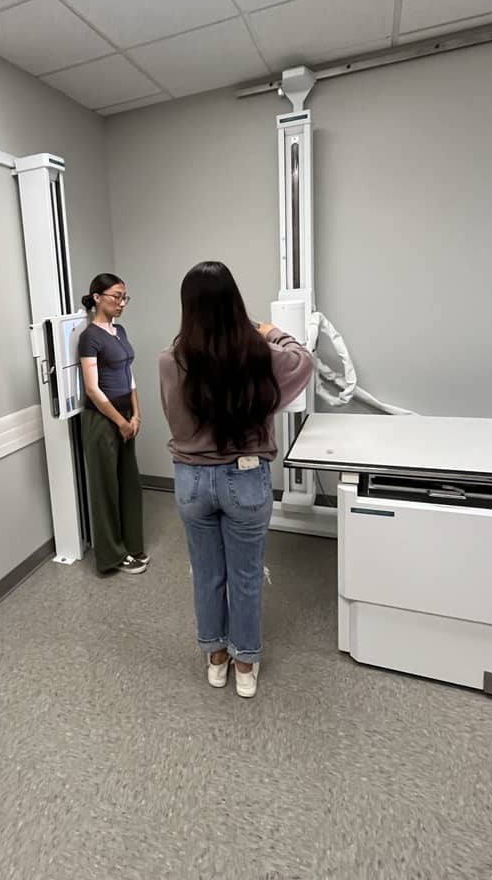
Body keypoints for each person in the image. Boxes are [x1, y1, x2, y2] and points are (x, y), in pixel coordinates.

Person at [159, 261, 314, 696]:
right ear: (235, 304)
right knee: (245, 576)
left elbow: (175, 422)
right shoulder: (259, 356)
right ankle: (245, 666)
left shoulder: (171, 361)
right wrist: (269, 331)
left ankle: (215, 659)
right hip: (244, 479)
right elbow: (304, 360)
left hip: (191, 480)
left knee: (206, 574)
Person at [79, 273, 148, 575]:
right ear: (97, 297)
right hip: (103, 420)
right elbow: (92, 388)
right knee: (105, 488)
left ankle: (132, 544)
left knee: (128, 482)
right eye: (115, 296)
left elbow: (129, 375)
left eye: (124, 297)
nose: (121, 303)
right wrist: (120, 421)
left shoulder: (119, 330)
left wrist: (137, 414)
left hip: (125, 417)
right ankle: (111, 556)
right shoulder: (90, 337)